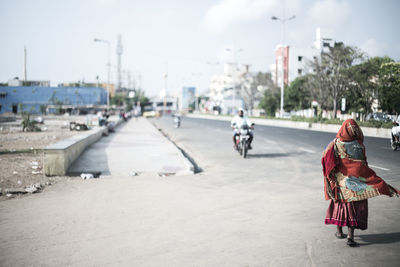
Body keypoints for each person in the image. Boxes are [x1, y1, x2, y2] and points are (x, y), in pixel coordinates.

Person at [322, 119, 400, 247]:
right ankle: (350, 237)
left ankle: (339, 232)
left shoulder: (336, 143)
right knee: (354, 207)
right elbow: (363, 163)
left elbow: (326, 157)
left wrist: (332, 177)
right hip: (357, 182)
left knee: (340, 206)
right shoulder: (359, 145)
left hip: (341, 182)